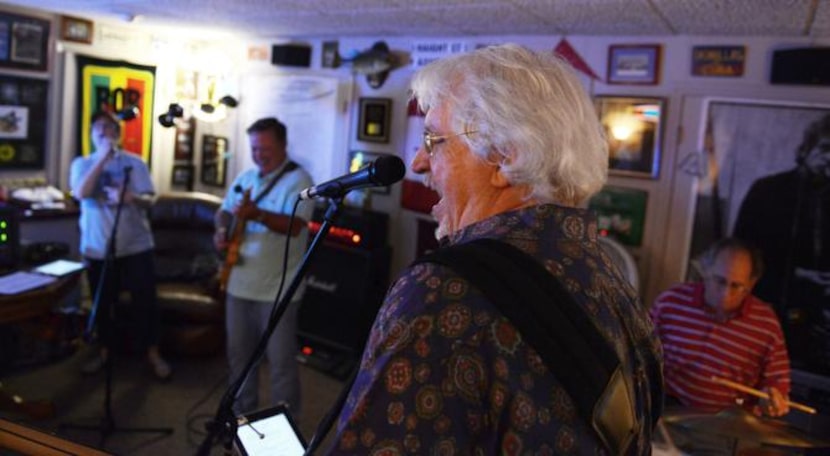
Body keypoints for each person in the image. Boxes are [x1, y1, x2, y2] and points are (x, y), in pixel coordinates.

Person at [327, 44, 662, 455]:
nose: (417, 162)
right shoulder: (609, 280)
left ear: (504, 157)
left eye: (433, 139)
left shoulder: (444, 291)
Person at [213, 117, 313, 417]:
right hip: (238, 284)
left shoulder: (300, 181)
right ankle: (243, 421)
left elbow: (296, 226)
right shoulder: (246, 176)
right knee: (239, 360)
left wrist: (256, 214)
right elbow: (223, 213)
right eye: (255, 148)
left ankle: (286, 430)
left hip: (278, 289)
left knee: (281, 365)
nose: (259, 154)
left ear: (283, 145)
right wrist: (220, 231)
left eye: (265, 148)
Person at [69, 110, 171, 380]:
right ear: (91, 135)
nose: (102, 132)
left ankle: (153, 353)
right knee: (103, 304)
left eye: (108, 128)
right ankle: (104, 353)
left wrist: (132, 197)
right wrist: (102, 157)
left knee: (145, 304)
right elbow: (80, 193)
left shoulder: (135, 163)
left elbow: (151, 200)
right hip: (98, 248)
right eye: (97, 129)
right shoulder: (82, 163)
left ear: (118, 133)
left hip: (136, 246)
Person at [733, 113, 830, 374]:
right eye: (825, 149)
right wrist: (797, 274)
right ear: (806, 149)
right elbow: (741, 252)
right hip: (768, 304)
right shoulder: (768, 190)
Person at [650, 238, 791, 417]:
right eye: (720, 281)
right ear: (706, 271)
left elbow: (778, 381)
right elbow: (638, 352)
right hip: (668, 412)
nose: (726, 294)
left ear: (751, 284)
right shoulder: (671, 302)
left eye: (736, 286)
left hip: (730, 426)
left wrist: (773, 398)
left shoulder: (766, 324)